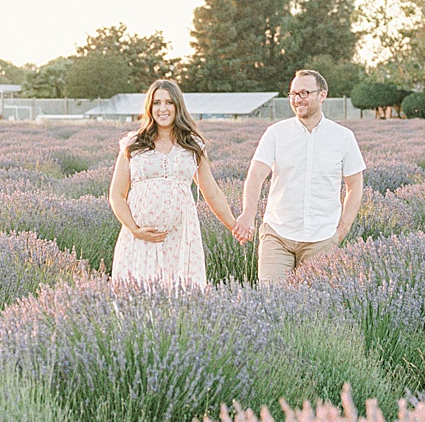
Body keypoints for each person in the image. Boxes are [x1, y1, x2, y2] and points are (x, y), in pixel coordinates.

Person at [232, 69, 365, 283]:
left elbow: (355, 185)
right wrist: (248, 213)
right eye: (293, 94)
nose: (297, 99)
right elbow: (256, 175)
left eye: (304, 93)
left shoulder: (343, 137)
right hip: (277, 235)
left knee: (316, 306)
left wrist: (342, 229)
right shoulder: (276, 133)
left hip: (321, 238)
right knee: (270, 302)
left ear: (322, 95)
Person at [108, 79, 239, 286]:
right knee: (136, 301)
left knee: (182, 300)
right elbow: (116, 195)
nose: (163, 108)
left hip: (181, 239)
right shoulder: (132, 144)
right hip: (140, 239)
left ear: (178, 106)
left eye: (169, 102)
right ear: (149, 108)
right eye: (157, 103)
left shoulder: (193, 145)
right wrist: (134, 229)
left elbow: (211, 192)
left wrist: (234, 225)